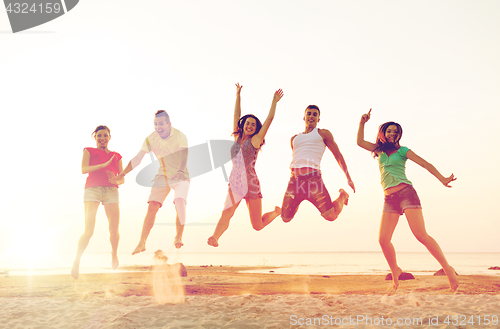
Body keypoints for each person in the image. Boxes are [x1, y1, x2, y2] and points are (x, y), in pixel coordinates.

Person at [357, 108, 459, 292]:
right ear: (383, 133)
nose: (393, 134)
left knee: (421, 235)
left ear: (399, 135)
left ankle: (448, 269)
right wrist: (362, 123)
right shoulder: (378, 150)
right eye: (389, 131)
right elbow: (359, 142)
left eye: (396, 132)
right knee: (383, 239)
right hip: (389, 199)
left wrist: (443, 178)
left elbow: (425, 164)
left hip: (406, 193)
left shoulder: (403, 150)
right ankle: (395, 271)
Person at [207, 83, 283, 247]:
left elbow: (269, 120)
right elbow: (236, 114)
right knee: (227, 213)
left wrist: (274, 102)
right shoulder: (237, 138)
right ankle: (215, 237)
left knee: (257, 226)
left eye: (253, 125)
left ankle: (276, 212)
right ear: (243, 125)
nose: (249, 126)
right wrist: (238, 96)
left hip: (251, 184)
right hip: (235, 182)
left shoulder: (255, 141)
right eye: (247, 123)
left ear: (256, 129)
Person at [113, 110, 189, 254]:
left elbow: (184, 154)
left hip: (181, 175)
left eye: (161, 123)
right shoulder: (151, 139)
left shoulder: (180, 136)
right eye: (155, 124)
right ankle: (142, 242)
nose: (158, 127)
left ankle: (178, 236)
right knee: (152, 206)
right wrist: (122, 174)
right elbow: (137, 159)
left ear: (169, 124)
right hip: (162, 175)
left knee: (179, 201)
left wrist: (180, 170)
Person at [281, 105, 355, 223]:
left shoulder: (323, 134)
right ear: (304, 117)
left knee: (331, 216)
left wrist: (348, 177)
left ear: (318, 119)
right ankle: (299, 198)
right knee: (285, 218)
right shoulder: (294, 138)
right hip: (294, 180)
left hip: (313, 179)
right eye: (309, 113)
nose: (311, 116)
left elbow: (338, 155)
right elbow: (297, 158)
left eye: (315, 114)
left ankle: (343, 195)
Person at [72, 125, 124, 280]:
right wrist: (102, 165)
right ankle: (77, 261)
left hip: (111, 191)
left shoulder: (117, 156)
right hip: (92, 189)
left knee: (114, 231)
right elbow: (84, 169)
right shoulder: (89, 151)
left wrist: (116, 179)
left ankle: (114, 254)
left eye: (105, 135)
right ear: (94, 137)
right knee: (89, 231)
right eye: (99, 136)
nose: (102, 138)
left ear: (109, 137)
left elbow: (122, 178)